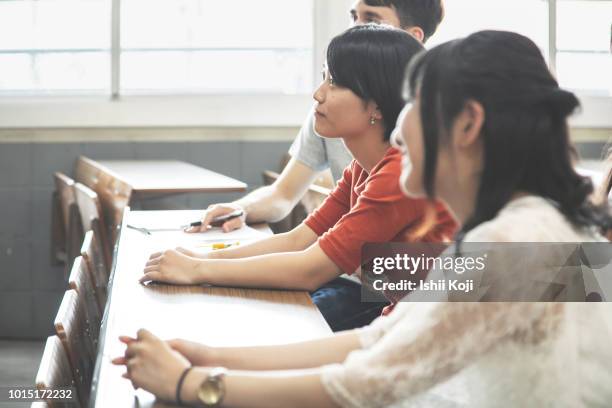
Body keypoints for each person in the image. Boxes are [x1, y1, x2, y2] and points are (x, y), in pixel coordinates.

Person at [115, 30, 612, 407]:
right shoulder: (525, 225)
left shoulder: (511, 240)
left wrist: (190, 384)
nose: (399, 130)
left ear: (468, 124)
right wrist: (210, 356)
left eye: (414, 103)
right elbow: (381, 338)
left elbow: (367, 381)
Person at [141, 25, 457, 331]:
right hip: (403, 318)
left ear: (375, 105)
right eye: (323, 78)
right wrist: (200, 257)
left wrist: (198, 270)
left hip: (435, 328)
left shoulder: (396, 174)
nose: (317, 94)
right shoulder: (364, 166)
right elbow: (299, 239)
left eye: (334, 83)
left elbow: (310, 269)